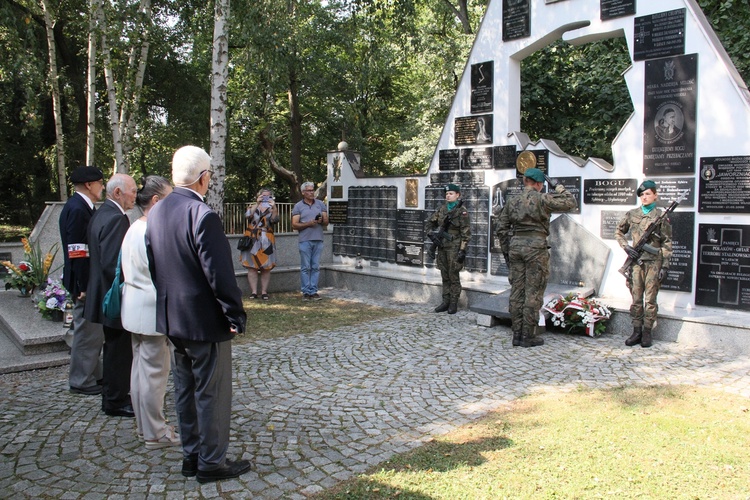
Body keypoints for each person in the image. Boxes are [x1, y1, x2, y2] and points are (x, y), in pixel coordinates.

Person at [145, 145, 250, 483]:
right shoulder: (201, 214)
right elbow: (219, 274)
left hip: (172, 317)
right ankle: (211, 463)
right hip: (205, 321)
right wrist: (234, 315)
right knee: (212, 394)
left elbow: (153, 264)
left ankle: (192, 456)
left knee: (185, 390)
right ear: (204, 178)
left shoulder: (157, 211)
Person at [120, 175, 180, 450]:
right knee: (155, 374)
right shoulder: (152, 230)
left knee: (140, 371)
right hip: (151, 308)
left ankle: (146, 426)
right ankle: (155, 432)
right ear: (156, 201)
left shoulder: (133, 227)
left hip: (133, 306)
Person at [495, 168, 576, 347]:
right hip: (536, 249)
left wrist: (508, 252)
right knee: (533, 291)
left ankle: (516, 334)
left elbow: (501, 229)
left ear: (525, 182)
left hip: (516, 247)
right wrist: (558, 187)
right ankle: (527, 336)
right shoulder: (543, 198)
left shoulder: (512, 201)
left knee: (517, 292)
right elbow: (570, 201)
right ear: (539, 184)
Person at [84, 173, 138, 416]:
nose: (135, 196)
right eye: (133, 191)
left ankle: (113, 395)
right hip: (113, 296)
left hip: (102, 292)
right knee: (119, 350)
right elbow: (114, 264)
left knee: (114, 347)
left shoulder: (101, 213)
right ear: (118, 193)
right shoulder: (117, 218)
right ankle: (115, 400)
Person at [59, 166, 105, 396]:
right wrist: (83, 285)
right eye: (100, 182)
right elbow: (77, 250)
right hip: (84, 283)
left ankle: (93, 375)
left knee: (92, 331)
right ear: (89, 185)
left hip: (85, 281)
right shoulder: (78, 209)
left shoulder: (79, 206)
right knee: (86, 332)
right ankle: (81, 380)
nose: (103, 187)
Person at [615, 180, 673, 348]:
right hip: (636, 263)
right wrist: (626, 247)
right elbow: (619, 231)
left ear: (655, 195)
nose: (644, 197)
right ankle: (636, 330)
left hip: (654, 263)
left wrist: (665, 265)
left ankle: (647, 331)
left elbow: (667, 242)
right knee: (636, 298)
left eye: (648, 194)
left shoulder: (660, 216)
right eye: (642, 194)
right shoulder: (632, 214)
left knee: (650, 299)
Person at [425, 184, 471, 315]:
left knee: (453, 276)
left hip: (454, 247)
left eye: (451, 193)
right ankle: (445, 301)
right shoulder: (442, 209)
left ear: (457, 195)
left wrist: (462, 250)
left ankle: (453, 302)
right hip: (442, 247)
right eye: (446, 194)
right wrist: (431, 236)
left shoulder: (462, 211)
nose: (448, 196)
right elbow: (430, 222)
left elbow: (466, 233)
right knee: (444, 275)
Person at [240, 187, 280, 300]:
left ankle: (264, 292)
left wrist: (274, 207)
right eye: (263, 196)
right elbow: (247, 216)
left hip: (266, 238)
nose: (265, 198)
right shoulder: (252, 206)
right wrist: (257, 204)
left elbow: (275, 220)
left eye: (268, 196)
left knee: (266, 267)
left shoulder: (272, 208)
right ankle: (253, 292)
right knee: (251, 266)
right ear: (259, 196)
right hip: (252, 238)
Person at [291, 181, 328, 300]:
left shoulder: (320, 204)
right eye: (309, 191)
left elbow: (326, 221)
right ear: (303, 193)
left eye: (312, 190)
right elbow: (294, 225)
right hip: (305, 240)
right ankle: (306, 292)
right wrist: (308, 223)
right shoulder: (298, 206)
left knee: (315, 266)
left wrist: (321, 220)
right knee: (306, 267)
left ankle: (314, 291)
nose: (311, 192)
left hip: (318, 239)